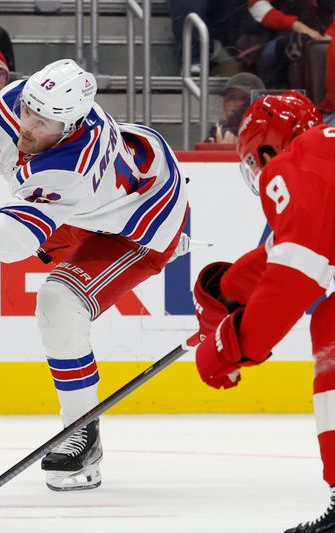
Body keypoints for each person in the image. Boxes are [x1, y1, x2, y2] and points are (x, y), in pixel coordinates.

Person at [0, 59, 188, 491]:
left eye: (43, 123)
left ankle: (82, 430)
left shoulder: (75, 163)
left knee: (59, 303)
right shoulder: (28, 101)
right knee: (47, 258)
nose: (28, 127)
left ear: (72, 125)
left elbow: (22, 231)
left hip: (140, 222)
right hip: (87, 210)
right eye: (28, 112)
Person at [191, 91, 335, 533]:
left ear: (269, 149)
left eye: (256, 159)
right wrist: (226, 290)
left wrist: (231, 345)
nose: (261, 170)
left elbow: (296, 275)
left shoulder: (296, 163)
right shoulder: (324, 154)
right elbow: (286, 254)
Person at [205, 71, 264, 143]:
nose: (237, 103)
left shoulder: (270, 136)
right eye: (231, 98)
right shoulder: (214, 137)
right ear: (224, 104)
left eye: (245, 99)